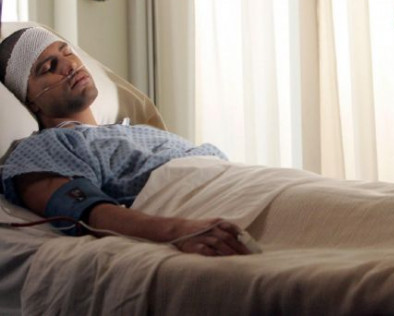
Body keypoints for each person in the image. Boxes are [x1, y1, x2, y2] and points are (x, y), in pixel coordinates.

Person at [0, 27, 250, 256]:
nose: (69, 64)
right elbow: (86, 212)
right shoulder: (46, 147)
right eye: (49, 67)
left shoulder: (132, 130)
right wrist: (178, 231)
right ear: (31, 101)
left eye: (67, 53)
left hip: (238, 184)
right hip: (206, 209)